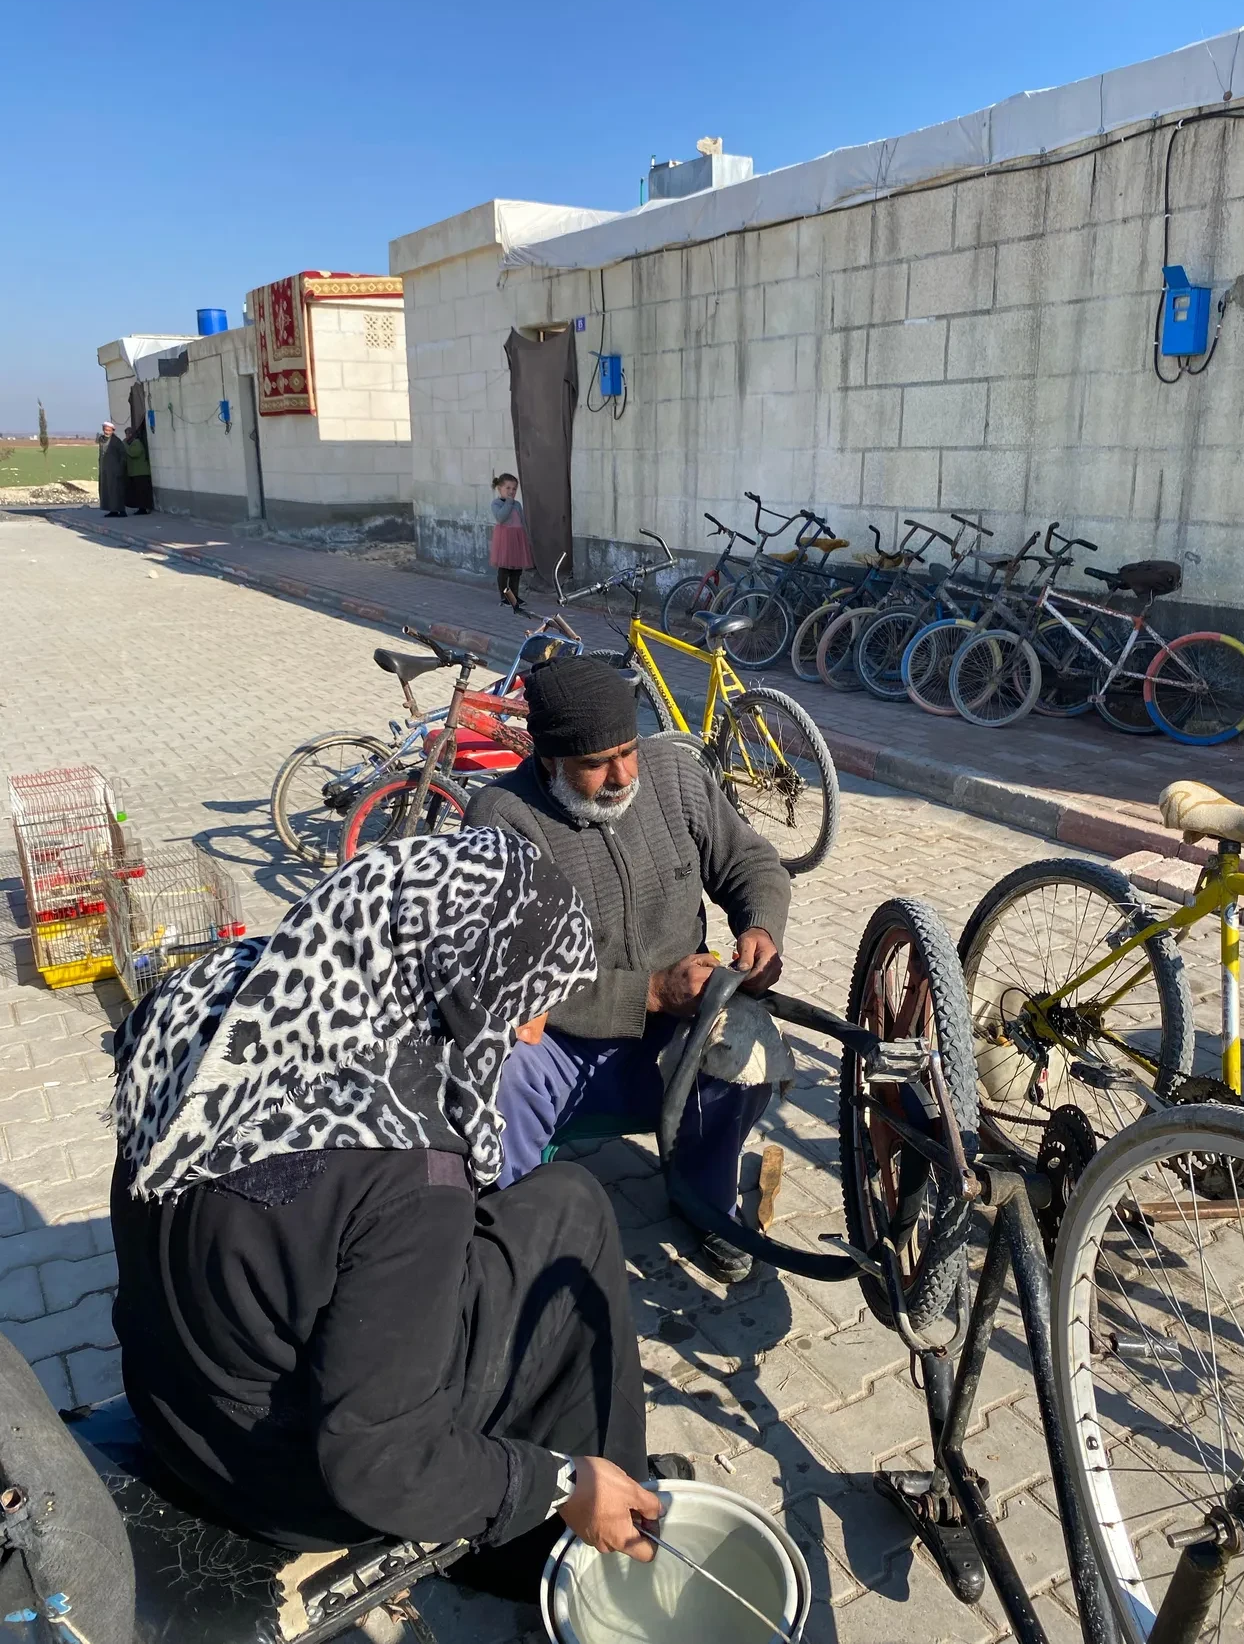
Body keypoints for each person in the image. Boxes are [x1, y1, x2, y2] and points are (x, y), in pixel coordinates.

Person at [109, 830, 673, 1594]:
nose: (531, 1031)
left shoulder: (214, 1000)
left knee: (531, 1207)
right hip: (288, 1481)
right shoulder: (408, 1173)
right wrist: (559, 1481)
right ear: (456, 977)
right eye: (525, 1001)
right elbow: (378, 1465)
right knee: (572, 1207)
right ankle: (578, 1518)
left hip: (176, 1416)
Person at [465, 656, 791, 1285]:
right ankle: (511, 1243)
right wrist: (647, 992)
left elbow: (753, 863)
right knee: (498, 1076)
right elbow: (505, 977)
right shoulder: (501, 816)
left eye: (627, 750)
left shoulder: (674, 775)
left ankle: (704, 1196)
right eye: (595, 763)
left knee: (750, 1054)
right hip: (562, 1046)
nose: (621, 776)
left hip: (680, 1034)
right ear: (550, 759)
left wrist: (759, 929)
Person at [489, 470, 534, 611]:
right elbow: (501, 518)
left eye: (514, 489)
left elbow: (522, 521)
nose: (511, 491)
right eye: (508, 488)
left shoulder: (517, 504)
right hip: (505, 539)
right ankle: (504, 597)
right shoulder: (496, 503)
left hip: (517, 538)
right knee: (505, 570)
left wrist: (526, 538)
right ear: (499, 488)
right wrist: (508, 502)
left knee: (516, 571)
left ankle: (514, 595)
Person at [97, 421, 128, 517]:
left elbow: (123, 456)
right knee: (107, 490)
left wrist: (120, 468)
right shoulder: (102, 440)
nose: (106, 432)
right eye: (105, 430)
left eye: (108, 430)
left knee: (116, 490)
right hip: (105, 470)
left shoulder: (116, 441)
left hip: (114, 471)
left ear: (112, 431)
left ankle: (121, 510)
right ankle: (112, 510)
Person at [124, 428, 153, 514]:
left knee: (142, 492)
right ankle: (140, 508)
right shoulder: (132, 443)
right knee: (138, 492)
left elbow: (133, 453)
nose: (126, 436)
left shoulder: (137, 443)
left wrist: (125, 444)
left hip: (141, 472)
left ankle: (143, 509)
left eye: (128, 434)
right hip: (134, 472)